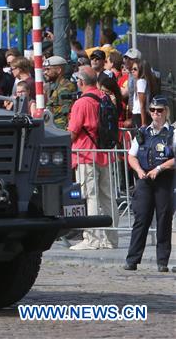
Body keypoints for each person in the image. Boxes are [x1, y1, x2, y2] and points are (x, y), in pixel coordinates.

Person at [67, 67, 118, 250]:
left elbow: (72, 132)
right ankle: (111, 239)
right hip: (104, 152)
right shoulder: (104, 97)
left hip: (85, 154)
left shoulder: (81, 103)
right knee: (107, 196)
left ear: (81, 81)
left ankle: (92, 239)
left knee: (91, 196)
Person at [123, 95, 174, 272]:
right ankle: (132, 259)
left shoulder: (173, 133)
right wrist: (138, 170)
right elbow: (131, 155)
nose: (155, 114)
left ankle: (162, 261)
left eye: (159, 110)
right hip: (145, 179)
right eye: (152, 110)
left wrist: (159, 169)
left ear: (166, 112)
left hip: (164, 180)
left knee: (164, 219)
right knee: (141, 219)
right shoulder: (143, 132)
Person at [44, 55, 76, 130]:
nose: (45, 72)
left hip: (60, 128)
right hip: (53, 127)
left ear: (58, 70)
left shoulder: (65, 88)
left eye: (48, 69)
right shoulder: (56, 86)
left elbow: (65, 112)